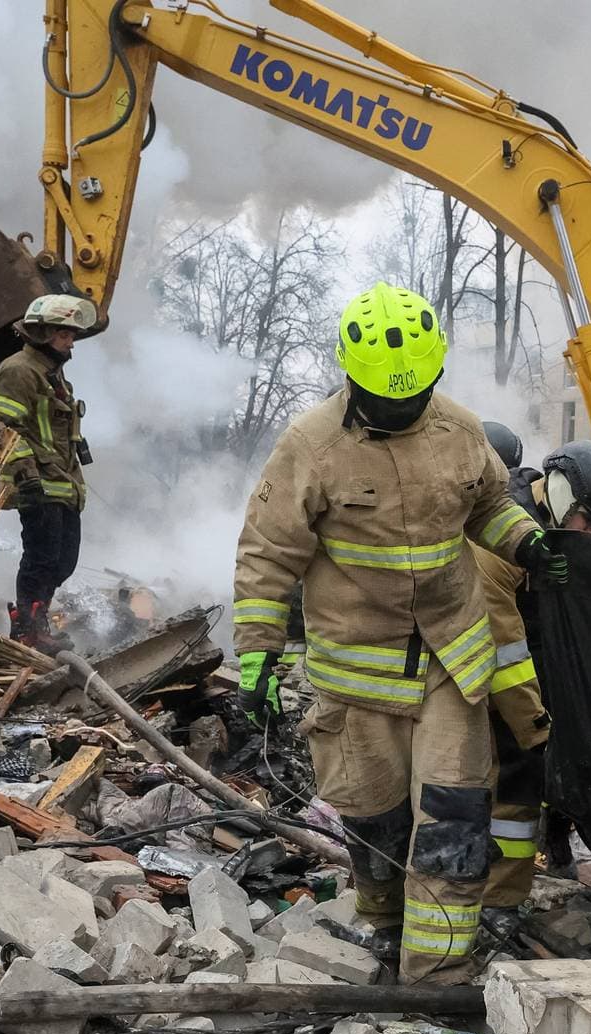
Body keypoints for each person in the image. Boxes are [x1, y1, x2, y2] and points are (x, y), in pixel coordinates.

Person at [231, 282, 557, 981]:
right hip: (357, 672)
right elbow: (267, 552)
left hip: (451, 661)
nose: (402, 410)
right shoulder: (311, 445)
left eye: (414, 397)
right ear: (353, 378)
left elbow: (490, 506)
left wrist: (527, 542)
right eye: (387, 401)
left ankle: (438, 971)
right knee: (374, 818)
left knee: (452, 817)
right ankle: (383, 919)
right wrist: (256, 658)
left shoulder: (460, 431)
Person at [474, 430, 591, 902]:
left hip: (523, 672)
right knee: (502, 783)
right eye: (589, 523)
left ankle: (507, 895)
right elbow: (503, 649)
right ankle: (485, 898)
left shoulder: (556, 525)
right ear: (563, 494)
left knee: (518, 784)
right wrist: (536, 728)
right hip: (473, 677)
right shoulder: (502, 540)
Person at [0, 293, 98, 651]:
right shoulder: (18, 370)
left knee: (63, 562)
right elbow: (4, 428)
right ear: (42, 333)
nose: (71, 343)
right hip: (39, 485)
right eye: (64, 334)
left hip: (64, 485)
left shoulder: (54, 377)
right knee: (41, 559)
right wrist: (27, 476)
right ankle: (28, 630)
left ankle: (38, 623)